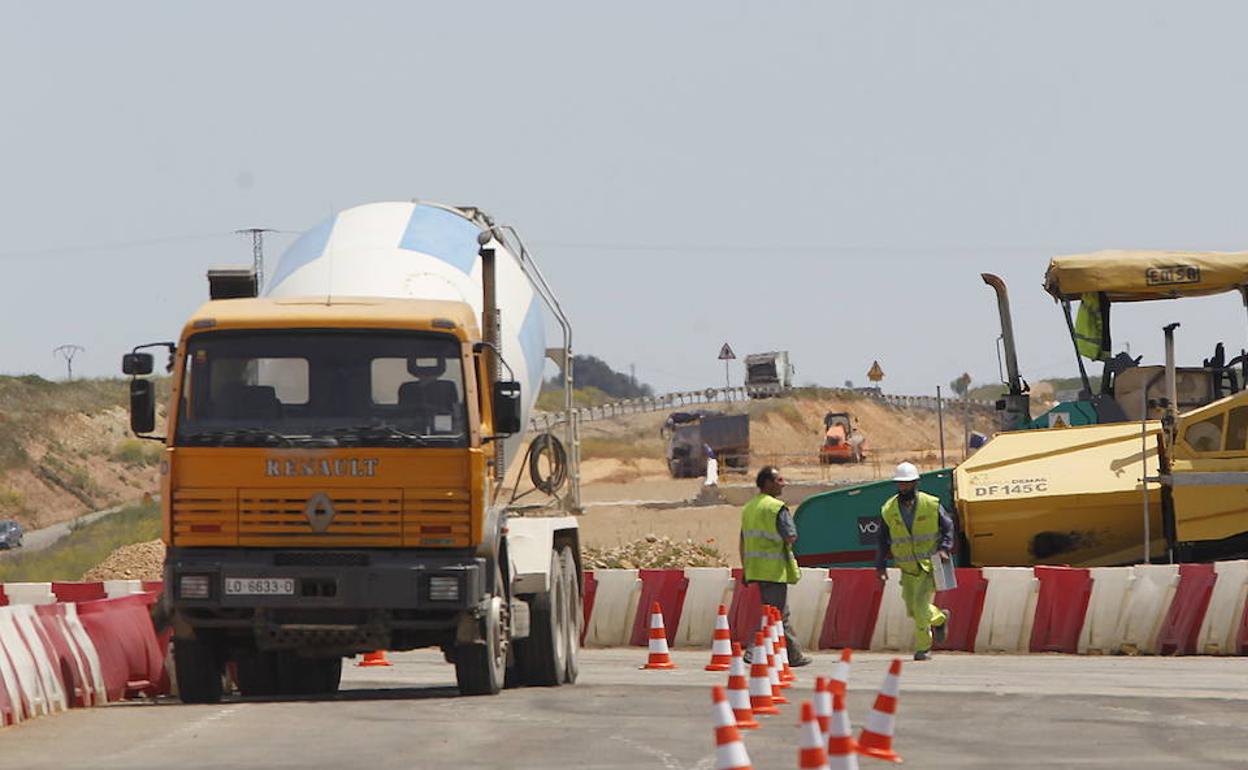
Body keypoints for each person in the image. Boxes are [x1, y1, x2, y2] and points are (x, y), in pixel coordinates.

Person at [875, 461, 954, 661]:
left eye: (907, 483)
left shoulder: (931, 504)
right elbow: (883, 540)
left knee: (920, 607)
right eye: (901, 484)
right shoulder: (889, 509)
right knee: (912, 610)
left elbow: (948, 527)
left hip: (929, 565)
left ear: (916, 483)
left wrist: (944, 548)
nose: (903, 487)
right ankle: (940, 619)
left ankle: (923, 648)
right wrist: (881, 566)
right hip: (907, 569)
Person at [739, 465, 811, 666]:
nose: (783, 483)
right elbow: (790, 535)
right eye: (779, 480)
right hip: (773, 570)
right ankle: (755, 651)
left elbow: (743, 540)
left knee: (776, 612)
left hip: (756, 569)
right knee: (776, 614)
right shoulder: (776, 508)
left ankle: (793, 655)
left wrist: (746, 568)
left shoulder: (749, 508)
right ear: (768, 483)